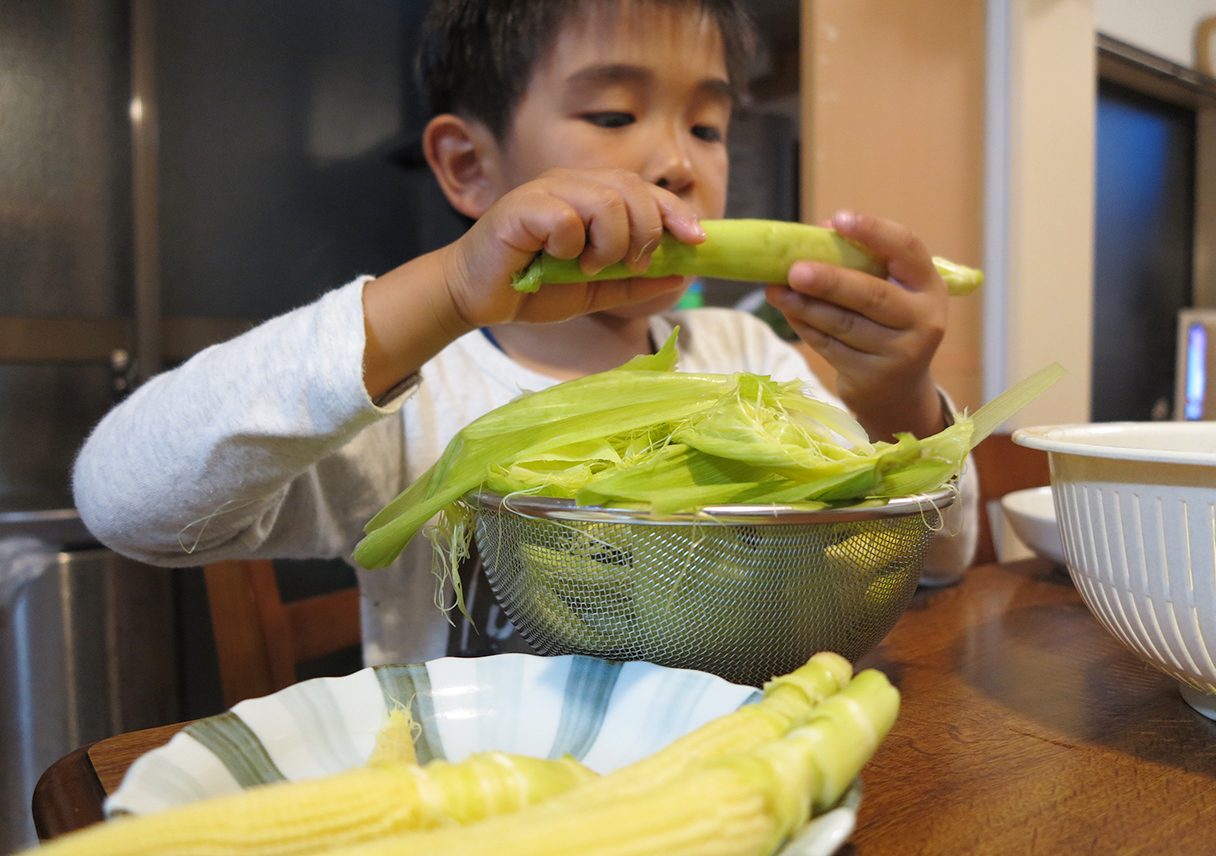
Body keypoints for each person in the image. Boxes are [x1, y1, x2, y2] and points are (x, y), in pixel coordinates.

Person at [72, 0, 978, 667]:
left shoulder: (751, 365)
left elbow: (934, 561)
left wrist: (898, 398)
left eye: (708, 125)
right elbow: (125, 504)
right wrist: (442, 293)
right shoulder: (419, 403)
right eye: (615, 115)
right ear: (471, 167)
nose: (678, 162)